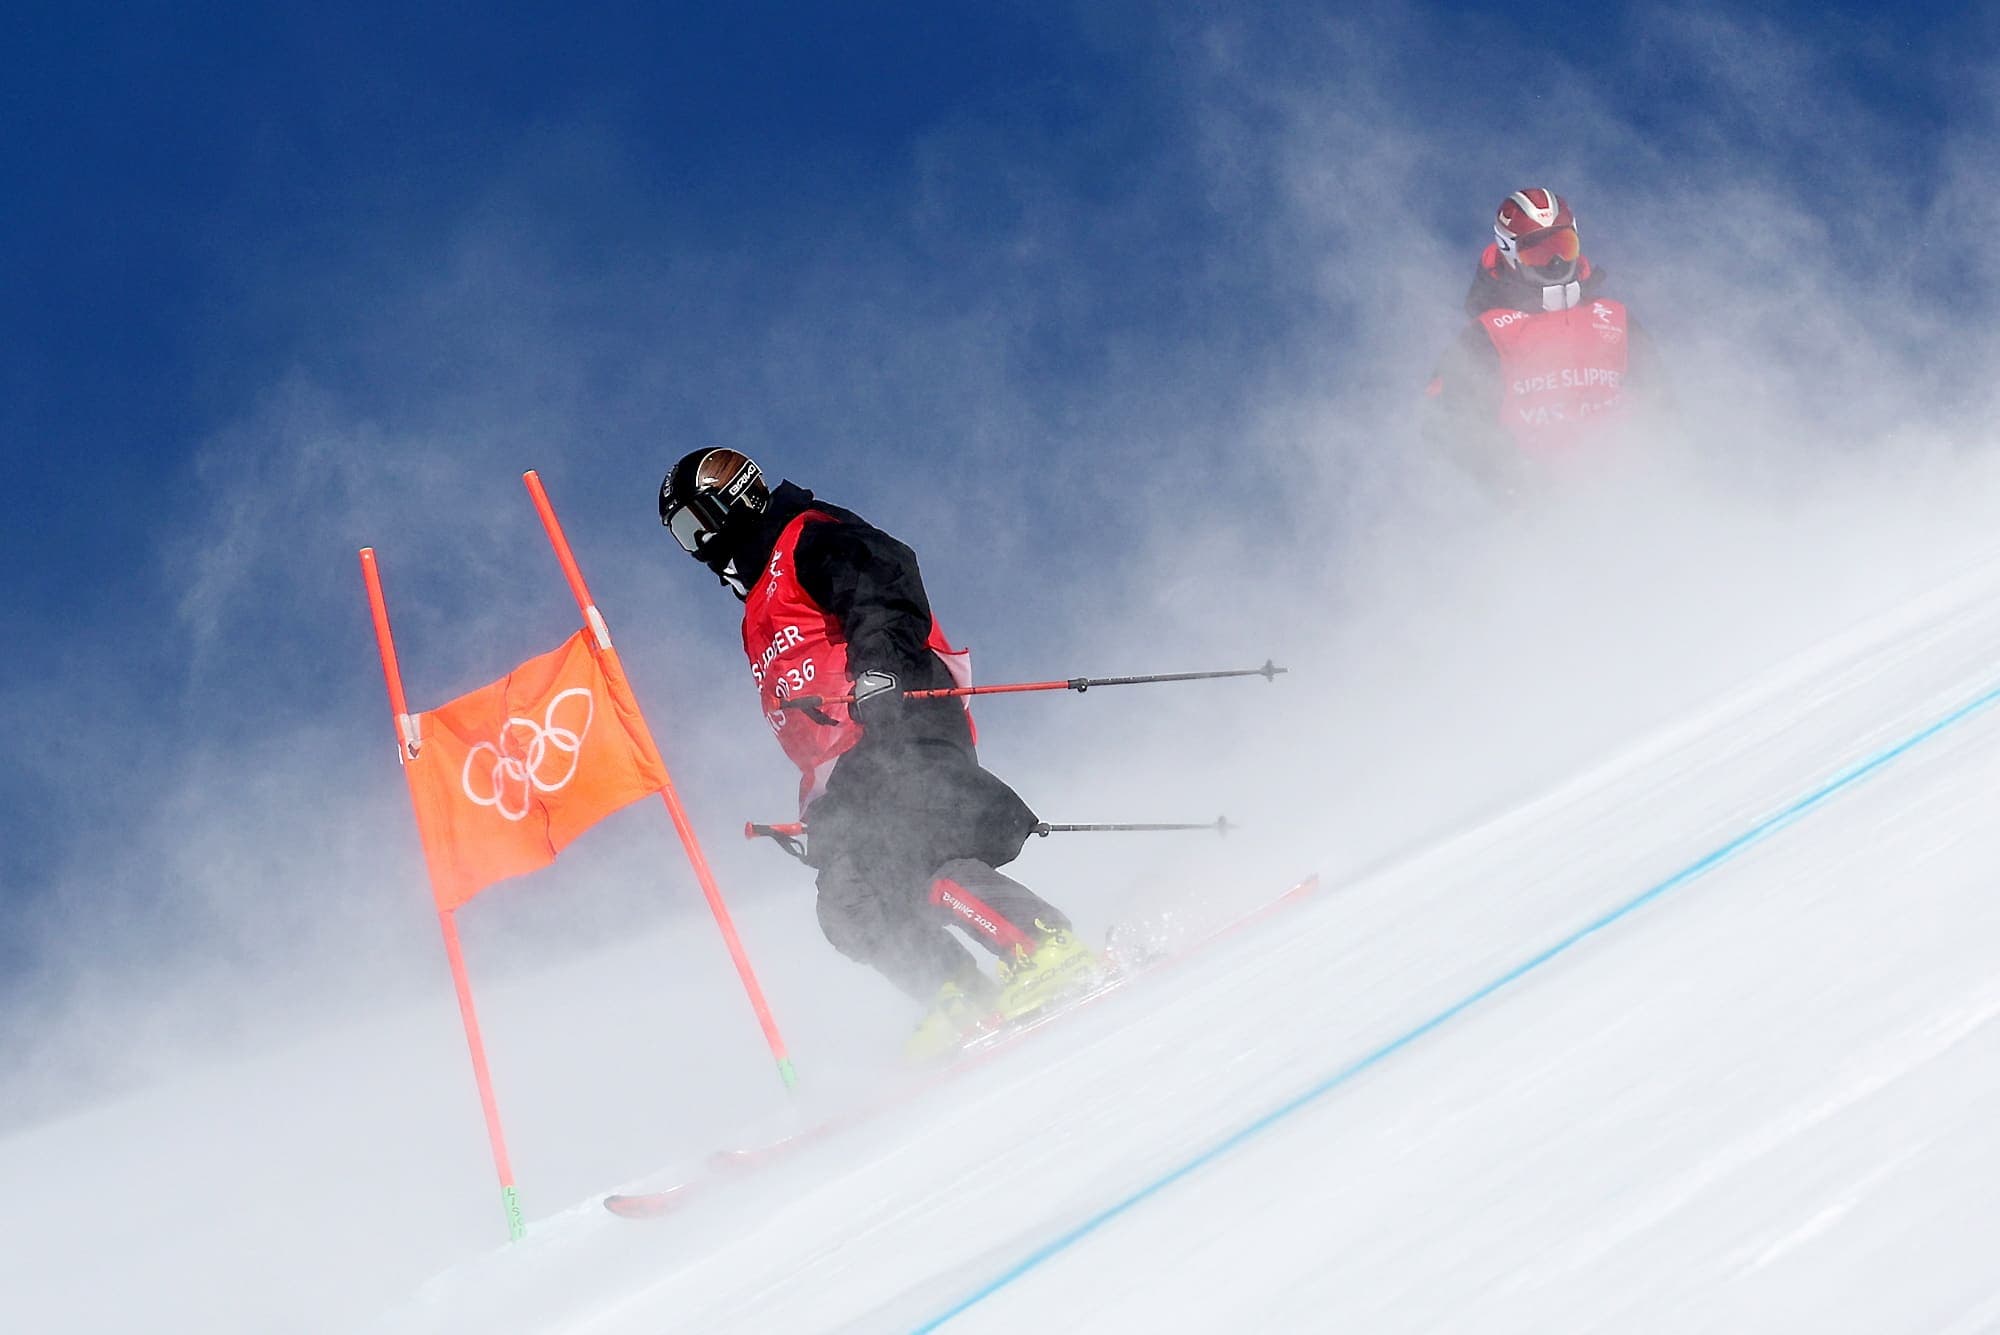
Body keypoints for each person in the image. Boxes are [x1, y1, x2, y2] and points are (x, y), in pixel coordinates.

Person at [658, 447, 1097, 1059]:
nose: (702, 540)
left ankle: (1042, 944)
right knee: (850, 899)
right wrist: (817, 806)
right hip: (849, 769)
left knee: (913, 846)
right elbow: (805, 725)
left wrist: (881, 671)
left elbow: (883, 577)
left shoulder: (806, 537)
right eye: (687, 531)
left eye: (693, 523)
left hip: (899, 717)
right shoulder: (756, 611)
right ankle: (959, 997)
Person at [1423, 187, 1668, 486]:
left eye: (1563, 246)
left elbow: (1661, 404)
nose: (1555, 263)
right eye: (1537, 252)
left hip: (1628, 493)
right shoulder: (1489, 333)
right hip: (1533, 506)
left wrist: (1660, 469)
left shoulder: (1614, 318)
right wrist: (1511, 480)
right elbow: (1445, 420)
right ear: (1510, 253)